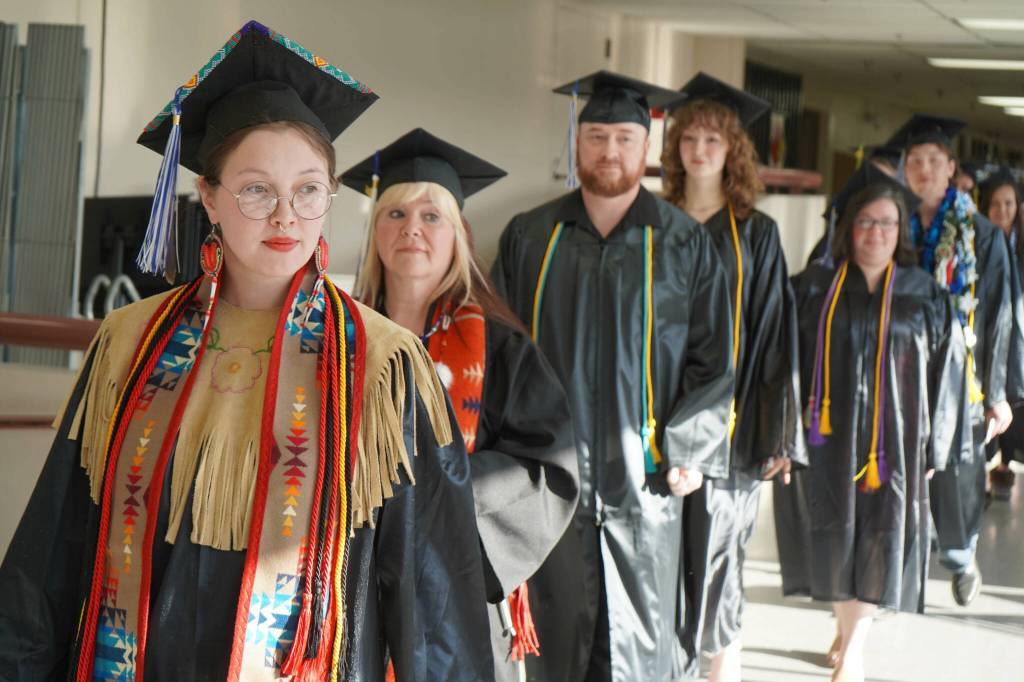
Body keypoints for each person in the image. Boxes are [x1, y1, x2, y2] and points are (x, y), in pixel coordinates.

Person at [0, 21, 494, 681]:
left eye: (309, 189)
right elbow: (50, 558)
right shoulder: (129, 343)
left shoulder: (382, 367)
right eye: (257, 189)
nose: (286, 216)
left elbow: (434, 602)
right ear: (208, 195)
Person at [492, 70, 735, 682]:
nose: (610, 151)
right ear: (577, 143)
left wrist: (690, 447)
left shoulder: (684, 244)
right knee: (556, 650)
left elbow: (714, 356)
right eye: (596, 136)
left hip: (647, 483)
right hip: (553, 485)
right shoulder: (531, 236)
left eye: (625, 137)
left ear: (646, 147)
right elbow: (500, 353)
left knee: (640, 653)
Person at [340, 128, 579, 681]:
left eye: (432, 216)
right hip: (351, 588)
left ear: (459, 235)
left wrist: (437, 491)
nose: (412, 230)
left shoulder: (501, 348)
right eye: (395, 214)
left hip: (457, 594)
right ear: (375, 231)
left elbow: (548, 468)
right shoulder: (341, 340)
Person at [777, 164, 967, 682]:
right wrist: (785, 436)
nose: (876, 234)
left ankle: (855, 648)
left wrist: (935, 450)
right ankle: (844, 625)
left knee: (881, 538)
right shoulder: (812, 288)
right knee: (835, 537)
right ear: (846, 227)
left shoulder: (924, 293)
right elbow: (785, 364)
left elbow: (947, 375)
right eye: (865, 221)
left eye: (887, 223)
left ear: (900, 230)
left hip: (896, 444)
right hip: (827, 442)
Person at [660, 72, 805, 682]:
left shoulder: (757, 234)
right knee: (666, 565)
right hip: (661, 422)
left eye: (712, 141)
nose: (699, 150)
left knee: (720, 567)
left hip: (735, 430)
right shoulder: (654, 223)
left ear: (732, 151)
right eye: (688, 137)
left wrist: (780, 432)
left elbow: (775, 337)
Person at [889, 114, 1014, 607]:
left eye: (933, 161)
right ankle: (892, 571)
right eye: (914, 161)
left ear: (950, 167)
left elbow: (1001, 313)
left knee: (958, 467)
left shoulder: (981, 234)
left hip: (962, 374)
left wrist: (999, 393)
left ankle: (962, 555)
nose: (923, 169)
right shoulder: (887, 222)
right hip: (898, 368)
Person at [979, 169, 1024, 499]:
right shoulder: (977, 242)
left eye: (1009, 203)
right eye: (995, 204)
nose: (1002, 210)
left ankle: (1006, 465)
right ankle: (983, 468)